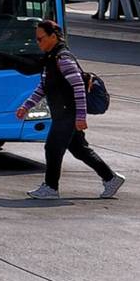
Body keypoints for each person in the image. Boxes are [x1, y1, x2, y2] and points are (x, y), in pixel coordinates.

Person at [16, 19, 124, 200]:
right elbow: (44, 87)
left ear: (53, 36)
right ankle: (111, 178)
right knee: (79, 149)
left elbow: (79, 88)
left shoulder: (63, 59)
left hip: (68, 113)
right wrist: (26, 106)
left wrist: (80, 117)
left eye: (40, 38)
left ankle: (51, 188)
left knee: (52, 148)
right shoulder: (50, 58)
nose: (38, 42)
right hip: (62, 112)